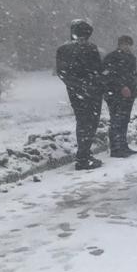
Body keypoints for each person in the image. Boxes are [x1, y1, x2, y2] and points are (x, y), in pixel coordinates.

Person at [55, 19, 104, 170]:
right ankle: (84, 156)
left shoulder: (63, 49)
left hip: (75, 92)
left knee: (82, 122)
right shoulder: (89, 47)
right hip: (91, 91)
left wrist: (75, 86)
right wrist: (92, 85)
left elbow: (61, 72)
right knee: (90, 122)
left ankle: (83, 155)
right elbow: (97, 70)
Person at [102, 35, 137, 158]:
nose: (127, 47)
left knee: (124, 120)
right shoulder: (112, 57)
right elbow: (108, 75)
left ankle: (123, 145)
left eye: (129, 44)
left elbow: (132, 75)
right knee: (116, 120)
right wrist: (121, 87)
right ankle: (116, 148)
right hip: (115, 94)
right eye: (125, 44)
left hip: (129, 95)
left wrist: (134, 89)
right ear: (120, 44)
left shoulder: (131, 57)